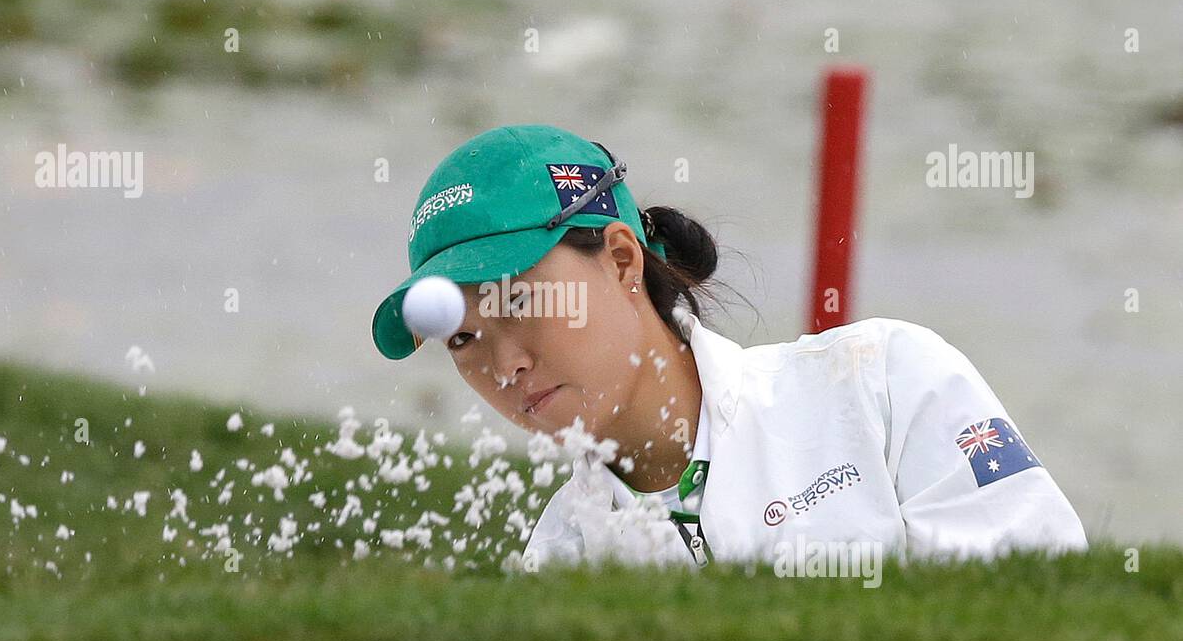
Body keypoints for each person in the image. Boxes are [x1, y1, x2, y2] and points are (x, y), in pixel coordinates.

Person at [371, 124, 1088, 570]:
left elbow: (1048, 613)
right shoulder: (560, 558)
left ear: (622, 259)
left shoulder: (885, 381)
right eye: (463, 338)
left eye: (520, 300)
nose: (505, 365)